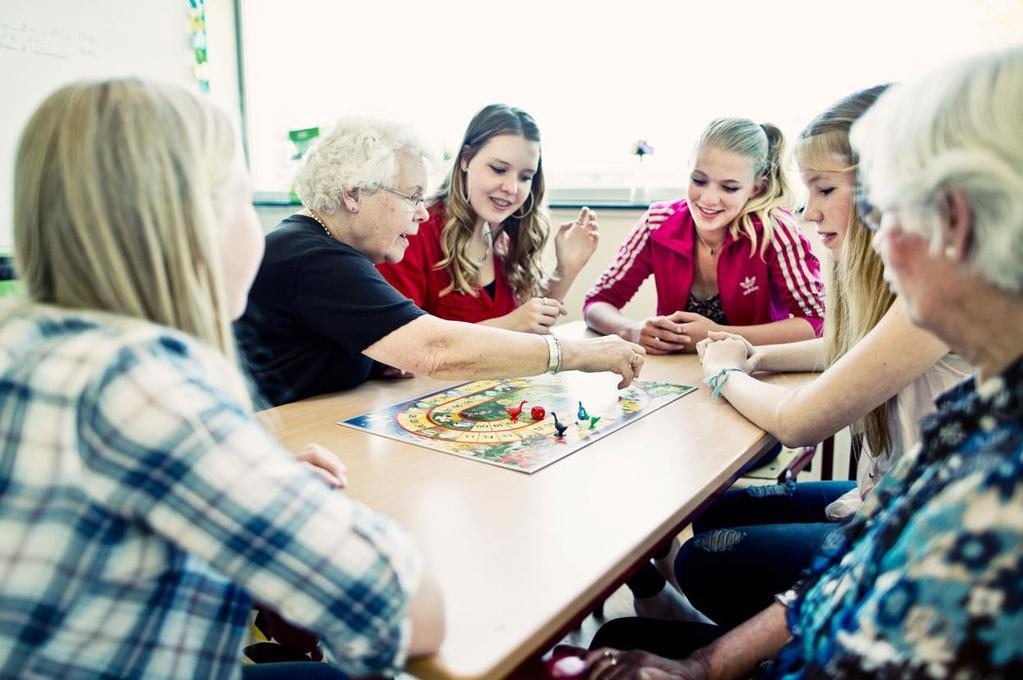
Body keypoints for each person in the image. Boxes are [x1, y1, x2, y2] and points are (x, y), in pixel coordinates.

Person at [566, 46, 1023, 679]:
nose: (815, 217)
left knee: (682, 578)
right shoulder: (983, 413)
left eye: (886, 208)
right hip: (867, 529)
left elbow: (812, 428)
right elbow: (872, 550)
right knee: (710, 519)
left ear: (959, 220)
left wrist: (727, 365)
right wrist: (707, 662)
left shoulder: (994, 466)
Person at [0, 79, 445, 679]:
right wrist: (284, 501)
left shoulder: (27, 341)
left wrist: (256, 479)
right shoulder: (146, 384)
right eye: (242, 198)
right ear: (189, 222)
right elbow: (414, 616)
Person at [629, 85, 972, 629]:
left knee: (706, 559)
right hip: (892, 489)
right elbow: (850, 350)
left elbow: (797, 421)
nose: (808, 213)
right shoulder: (899, 276)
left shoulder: (942, 290)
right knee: (716, 509)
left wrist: (722, 371)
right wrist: (755, 359)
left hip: (931, 529)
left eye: (824, 189)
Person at [237, 117, 643, 407]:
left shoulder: (324, 248)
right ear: (352, 194)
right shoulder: (316, 260)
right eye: (411, 196)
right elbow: (436, 349)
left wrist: (374, 361)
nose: (420, 212)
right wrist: (581, 354)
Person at [583, 118, 825, 355]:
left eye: (729, 187)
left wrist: (720, 334)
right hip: (675, 375)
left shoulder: (776, 230)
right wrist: (630, 330)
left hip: (756, 372)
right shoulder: (656, 223)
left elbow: (817, 322)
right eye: (698, 180)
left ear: (756, 188)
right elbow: (597, 302)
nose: (708, 199)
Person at [377, 104, 600, 334]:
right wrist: (509, 325)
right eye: (498, 169)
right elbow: (397, 343)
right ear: (465, 158)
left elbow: (528, 326)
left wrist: (566, 269)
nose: (512, 188)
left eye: (525, 177)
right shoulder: (416, 231)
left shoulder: (504, 237)